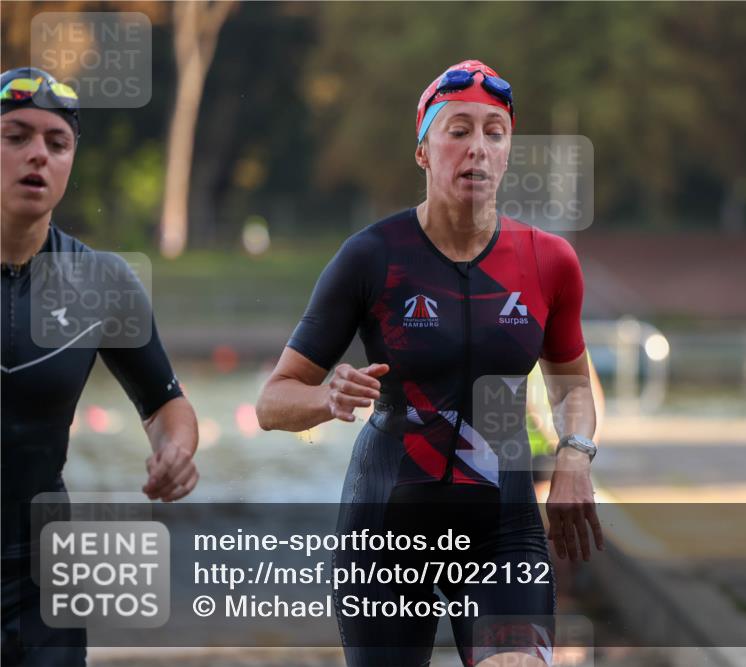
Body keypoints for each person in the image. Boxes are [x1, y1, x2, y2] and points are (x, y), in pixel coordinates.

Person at [257, 59, 603, 666]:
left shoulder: (548, 261)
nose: (478, 149)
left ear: (508, 150)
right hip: (386, 529)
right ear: (423, 151)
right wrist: (326, 398)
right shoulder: (372, 257)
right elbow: (273, 402)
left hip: (502, 530)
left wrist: (575, 452)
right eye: (459, 130)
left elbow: (572, 384)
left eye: (494, 132)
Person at [1, 67, 199, 666]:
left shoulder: (102, 283)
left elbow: (167, 404)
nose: (38, 153)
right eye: (15, 136)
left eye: (56, 143)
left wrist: (176, 451)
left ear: (70, 162)